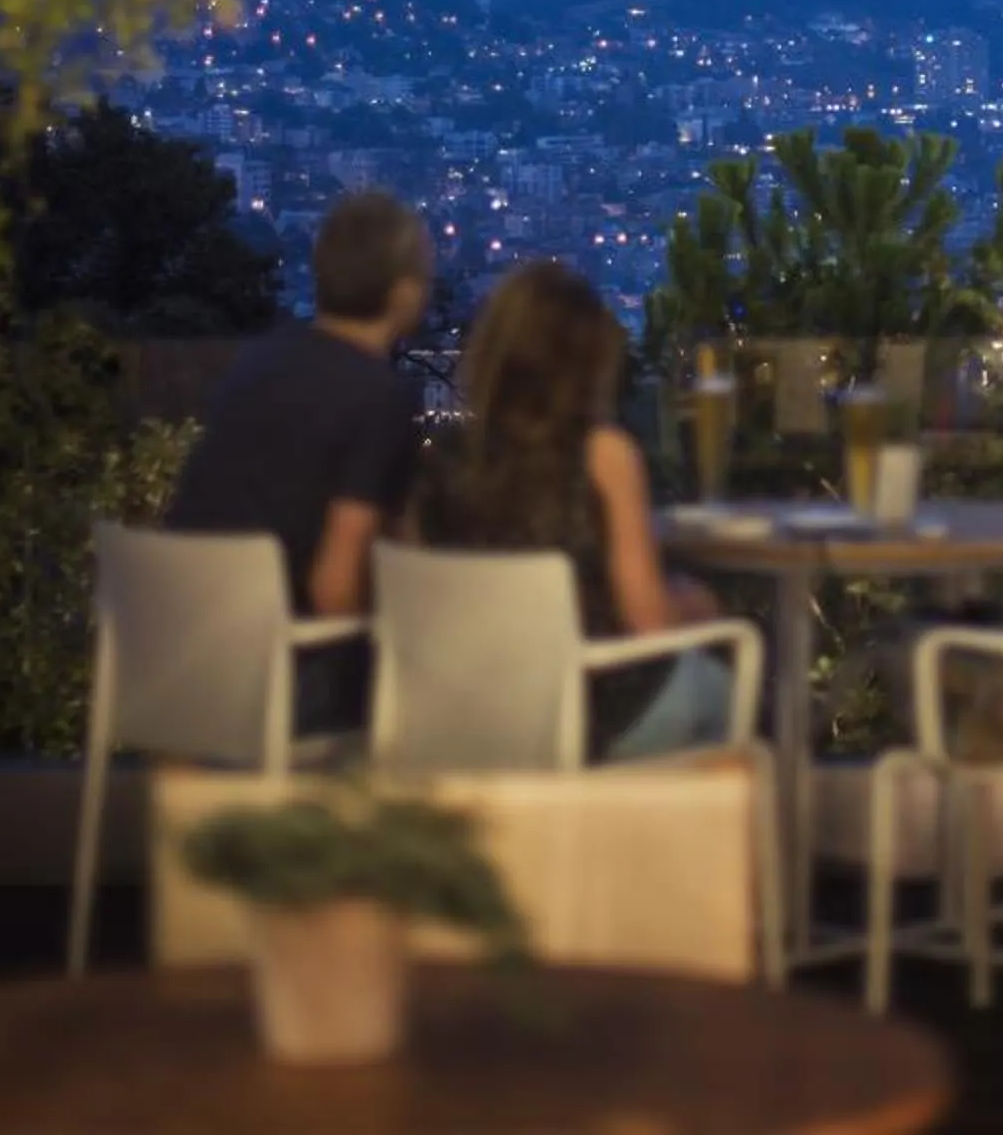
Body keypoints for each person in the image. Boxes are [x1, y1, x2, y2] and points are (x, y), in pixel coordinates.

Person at [429, 260, 735, 760]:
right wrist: (699, 604)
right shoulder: (604, 456)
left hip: (465, 710)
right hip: (593, 714)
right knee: (720, 684)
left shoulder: (440, 458)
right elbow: (649, 620)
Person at [162, 191, 431, 735]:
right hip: (278, 675)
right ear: (403, 292)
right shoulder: (379, 395)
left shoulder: (259, 360)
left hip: (180, 653)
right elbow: (335, 588)